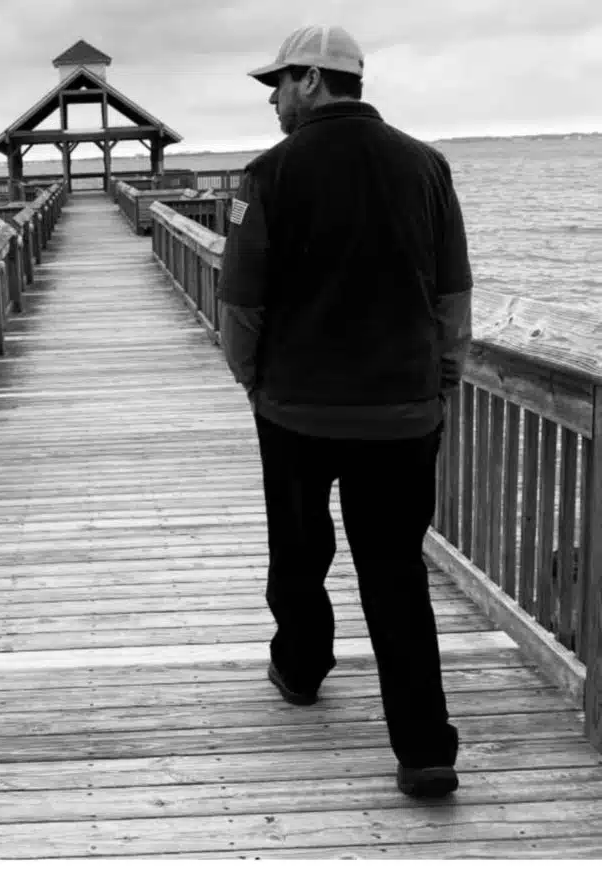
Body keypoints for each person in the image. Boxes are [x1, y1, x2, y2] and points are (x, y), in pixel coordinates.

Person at [216, 25, 473, 798]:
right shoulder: (427, 167)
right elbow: (453, 296)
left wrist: (254, 383)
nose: (272, 100)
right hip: (402, 413)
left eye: (278, 84)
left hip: (295, 410)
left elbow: (241, 304)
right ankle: (424, 750)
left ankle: (301, 667)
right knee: (396, 572)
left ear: (311, 80)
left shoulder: (266, 175)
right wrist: (440, 381)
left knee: (298, 549)